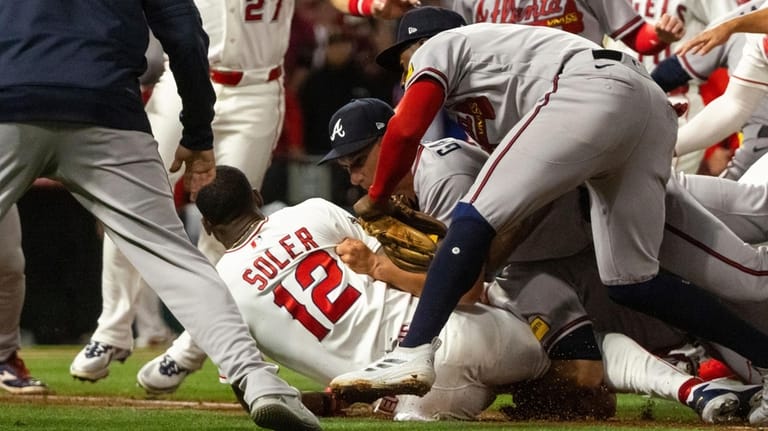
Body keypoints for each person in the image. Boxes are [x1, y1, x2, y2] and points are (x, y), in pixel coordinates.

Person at [327, 6, 768, 426]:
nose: (405, 70)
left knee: (472, 217)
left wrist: (380, 195)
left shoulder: (444, 46)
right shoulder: (491, 91)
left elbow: (406, 126)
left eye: (404, 59)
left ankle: (414, 351)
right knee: (638, 281)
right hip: (630, 112)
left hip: (593, 94)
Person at [0, 1, 322, 430]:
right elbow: (186, 36)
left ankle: (112, 334)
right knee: (176, 258)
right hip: (107, 106)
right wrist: (198, 131)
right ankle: (256, 378)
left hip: (11, 99)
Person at [70, 0, 420, 382]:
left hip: (256, 88)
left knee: (230, 227)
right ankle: (112, 328)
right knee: (129, 201)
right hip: (186, 81)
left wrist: (368, 4)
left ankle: (197, 344)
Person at [651, 1, 768, 180]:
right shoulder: (754, 36)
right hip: (759, 142)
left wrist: (732, 26)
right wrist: (665, 147)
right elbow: (734, 106)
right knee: (731, 196)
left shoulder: (734, 25)